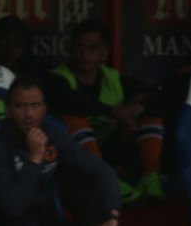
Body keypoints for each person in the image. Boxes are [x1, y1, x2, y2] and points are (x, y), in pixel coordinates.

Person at [0, 75, 121, 226]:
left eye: (35, 106)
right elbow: (11, 207)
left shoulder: (53, 134)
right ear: (9, 110)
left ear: (44, 109)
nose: (29, 114)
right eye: (20, 106)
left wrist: (112, 216)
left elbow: (102, 171)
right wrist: (34, 159)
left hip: (47, 224)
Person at [45, 19, 165, 202]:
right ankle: (104, 181)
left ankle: (150, 178)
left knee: (150, 114)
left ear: (104, 53)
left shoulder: (112, 77)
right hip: (66, 156)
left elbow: (158, 96)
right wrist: (114, 111)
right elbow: (72, 103)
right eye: (79, 47)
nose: (84, 54)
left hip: (107, 147)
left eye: (93, 48)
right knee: (74, 117)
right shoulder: (57, 78)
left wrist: (138, 107)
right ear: (70, 49)